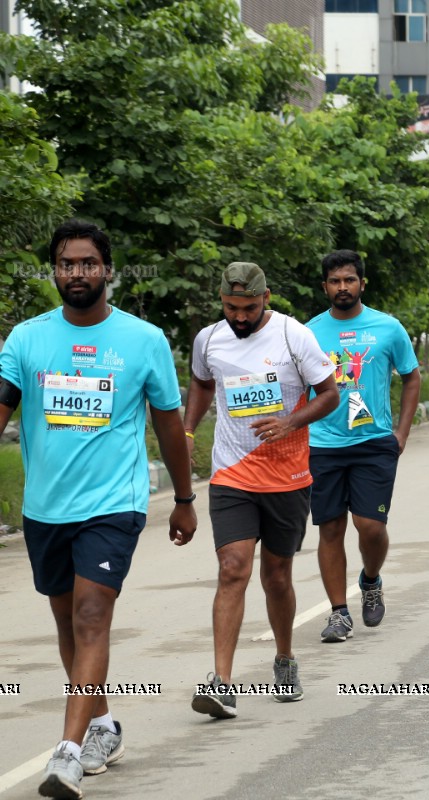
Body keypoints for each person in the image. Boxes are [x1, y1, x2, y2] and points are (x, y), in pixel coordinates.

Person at [0, 220, 197, 798]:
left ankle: (65, 754)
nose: (77, 273)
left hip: (114, 504)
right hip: (45, 508)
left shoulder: (143, 341)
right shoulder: (26, 340)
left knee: (90, 615)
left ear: (107, 269)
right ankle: (103, 725)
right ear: (55, 271)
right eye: (66, 264)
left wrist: (184, 500)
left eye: (88, 263)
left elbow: (169, 424)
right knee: (67, 621)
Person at [185, 262, 338, 718]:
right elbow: (200, 382)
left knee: (277, 576)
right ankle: (222, 682)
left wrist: (290, 421)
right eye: (231, 307)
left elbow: (329, 394)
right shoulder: (209, 339)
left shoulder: (294, 337)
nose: (240, 317)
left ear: (266, 298)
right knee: (233, 568)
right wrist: (188, 431)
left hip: (287, 478)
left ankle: (285, 658)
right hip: (232, 474)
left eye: (249, 307)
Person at [305, 251, 421, 645]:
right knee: (331, 528)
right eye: (335, 281)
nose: (343, 287)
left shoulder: (388, 328)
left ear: (362, 284)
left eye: (349, 280)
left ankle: (370, 578)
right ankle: (339, 613)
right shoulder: (309, 333)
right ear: (324, 287)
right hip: (322, 444)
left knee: (370, 526)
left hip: (374, 442)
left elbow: (411, 377)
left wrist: (401, 432)